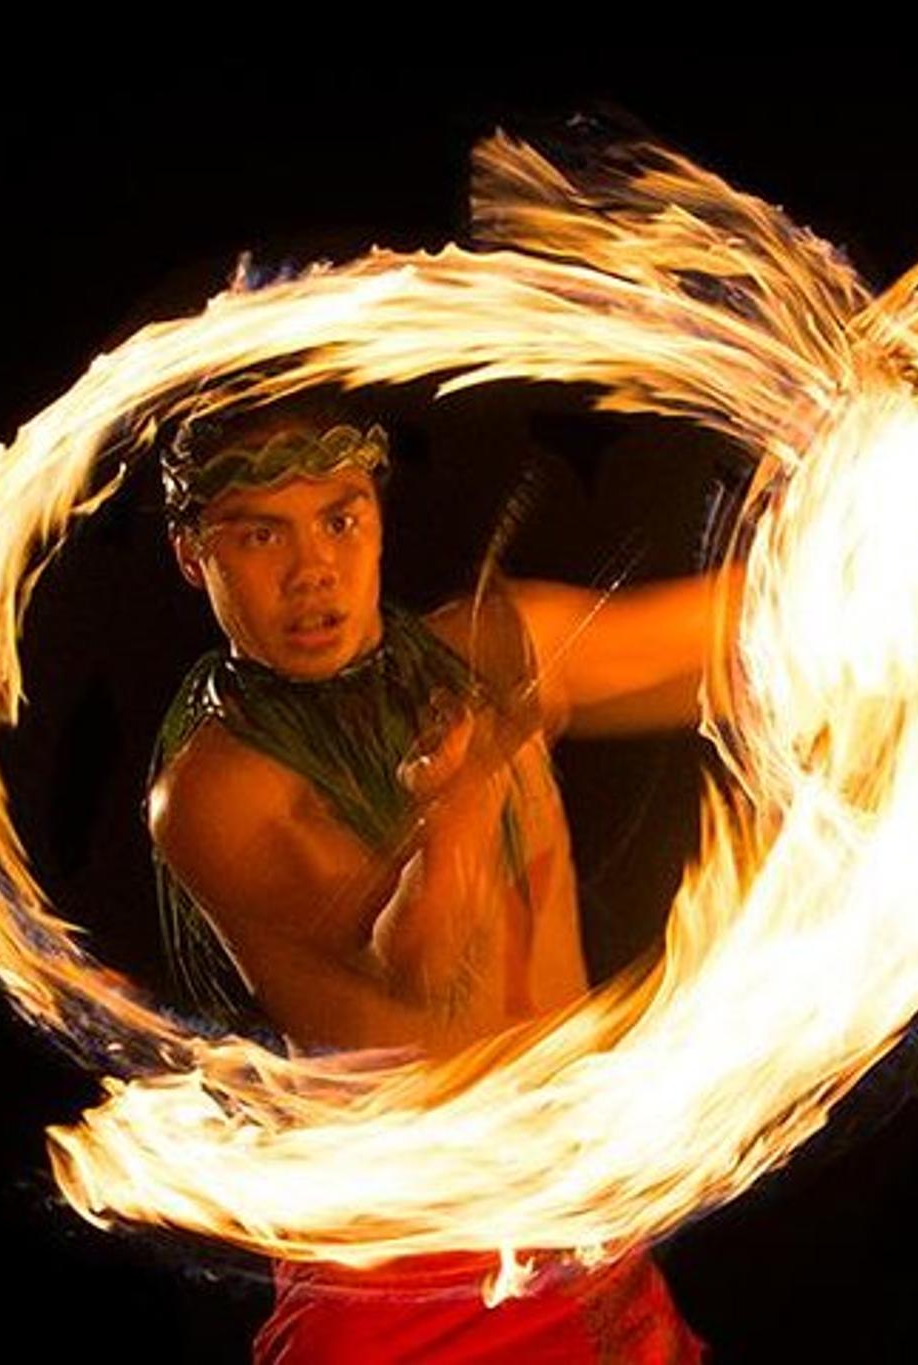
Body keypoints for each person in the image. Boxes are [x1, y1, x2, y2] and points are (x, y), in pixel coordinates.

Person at [148, 391, 720, 1362]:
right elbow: (413, 972)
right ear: (192, 556)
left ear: (376, 511)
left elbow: (748, 634)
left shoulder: (494, 647)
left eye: (339, 518)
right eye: (258, 536)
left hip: (577, 1225)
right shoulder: (215, 789)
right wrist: (462, 797)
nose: (311, 570)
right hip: (406, 1278)